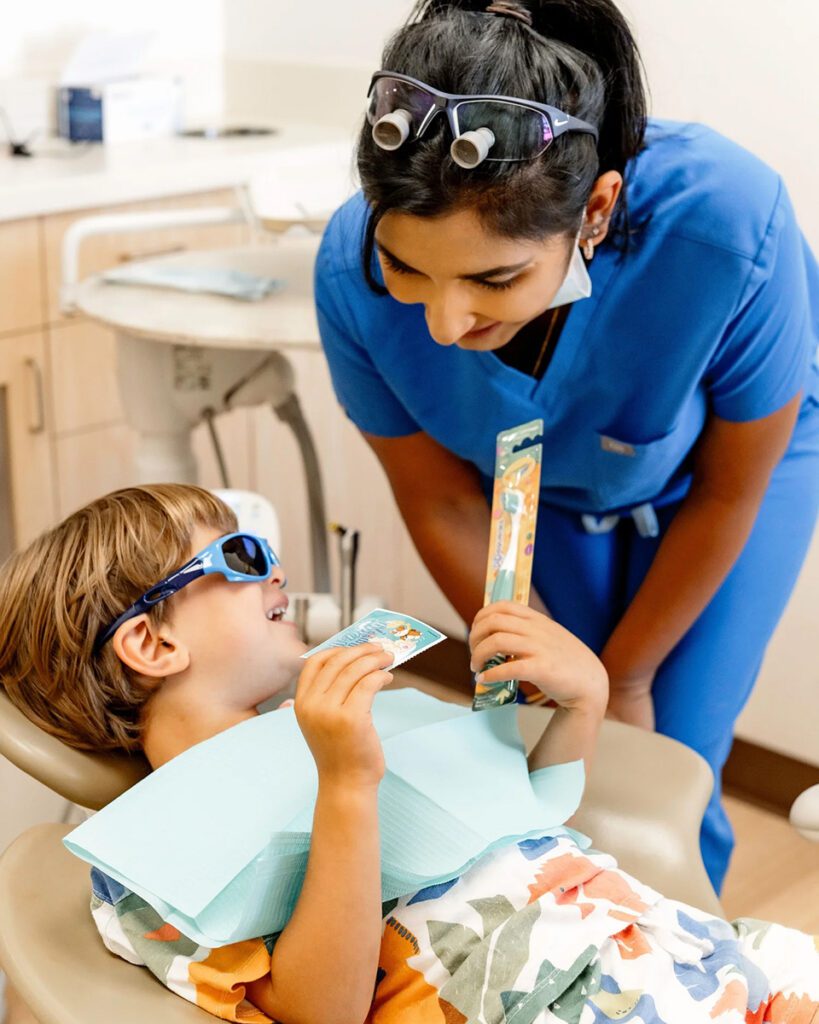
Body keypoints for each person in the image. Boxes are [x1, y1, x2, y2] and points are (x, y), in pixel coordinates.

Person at [314, 0, 819, 894]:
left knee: (668, 762)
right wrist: (554, 671)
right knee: (551, 740)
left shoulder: (724, 223)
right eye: (407, 268)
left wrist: (624, 679)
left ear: (595, 210)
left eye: (494, 277)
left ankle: (676, 947)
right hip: (533, 486)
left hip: (730, 479)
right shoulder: (347, 274)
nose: (444, 323)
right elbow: (439, 496)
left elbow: (730, 490)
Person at [0, 484, 817, 1024]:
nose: (277, 569)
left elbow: (524, 816)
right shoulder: (151, 865)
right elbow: (322, 1010)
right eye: (242, 556)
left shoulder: (358, 717)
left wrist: (582, 701)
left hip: (686, 952)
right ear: (151, 643)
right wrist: (346, 785)